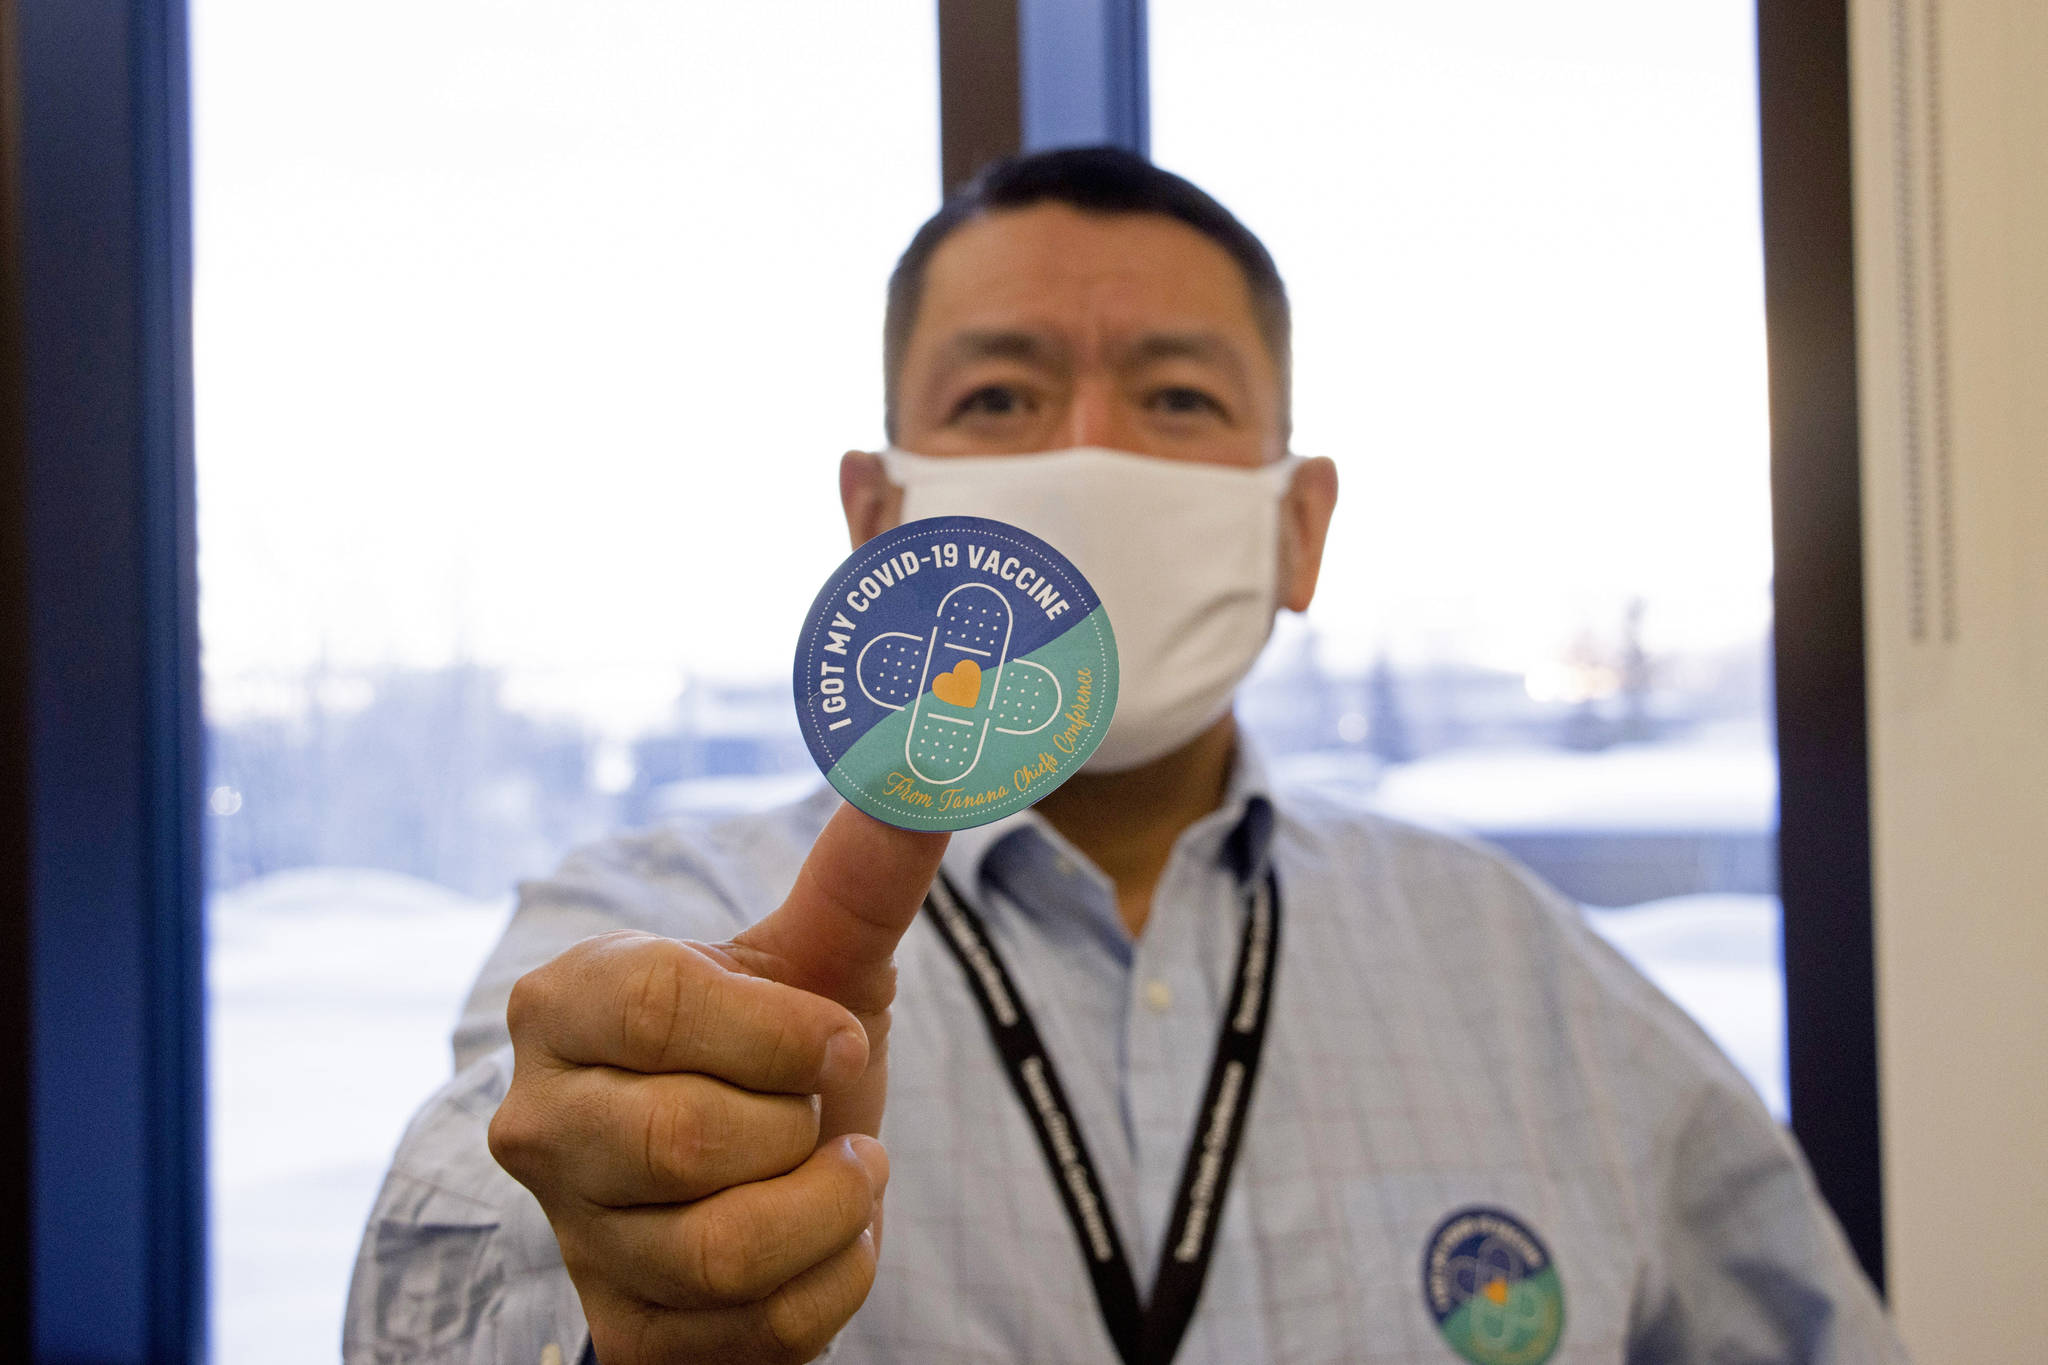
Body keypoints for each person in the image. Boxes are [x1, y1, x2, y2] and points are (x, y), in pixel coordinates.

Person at [344, 147, 1906, 1365]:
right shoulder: (657, 935)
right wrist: (614, 1291)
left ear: (1300, 527)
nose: (1086, 453)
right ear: (876, 512)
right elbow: (449, 1254)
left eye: (1175, 395)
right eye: (1002, 395)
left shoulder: (1533, 980)